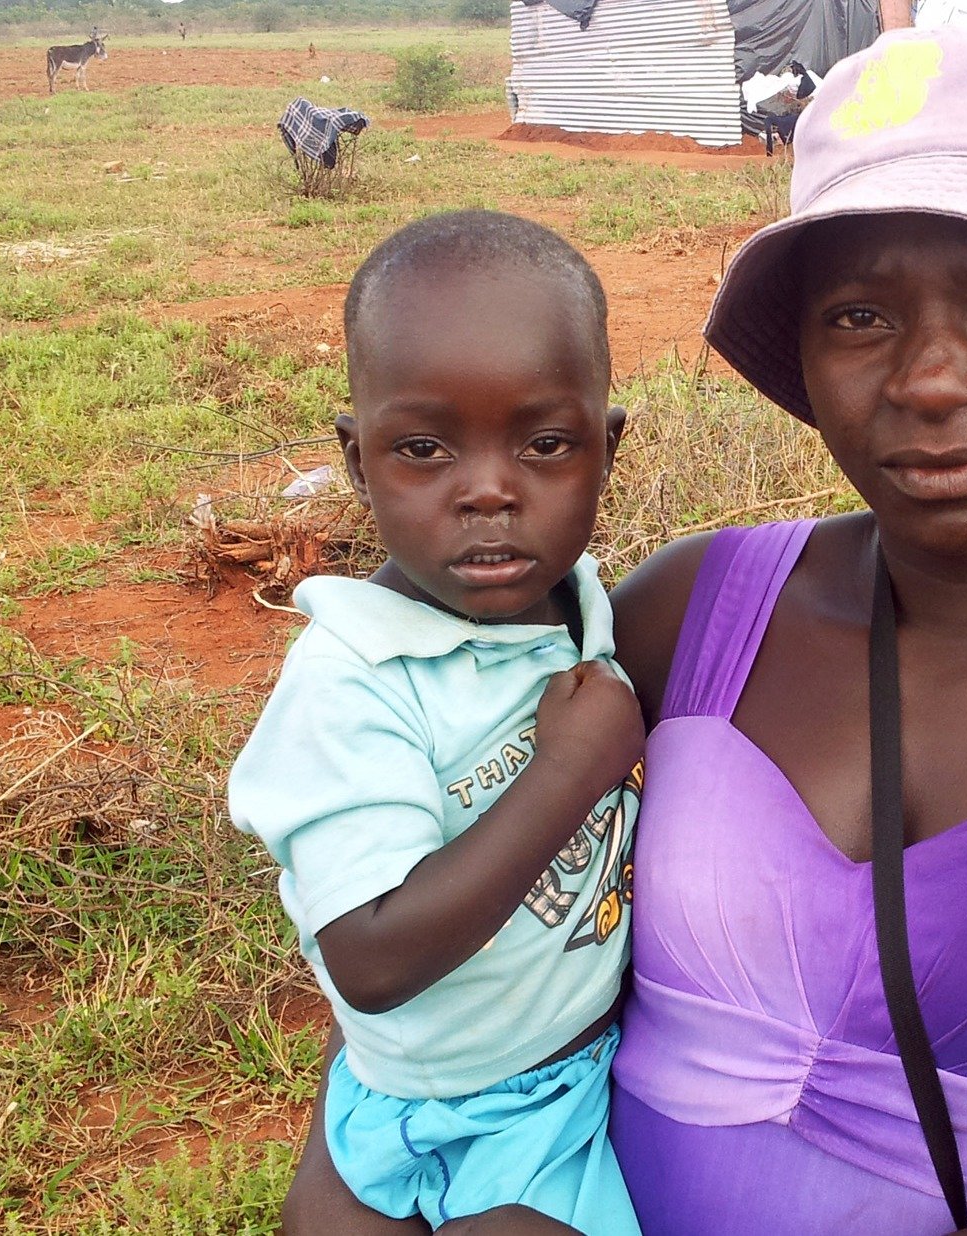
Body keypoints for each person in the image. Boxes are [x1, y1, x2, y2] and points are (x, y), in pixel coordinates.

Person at [284, 28, 967, 1236]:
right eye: (860, 318)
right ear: (804, 356)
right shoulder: (686, 615)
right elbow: (449, 1005)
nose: (928, 378)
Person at [229, 210, 644, 1235]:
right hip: (410, 1097)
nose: (491, 491)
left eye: (546, 444)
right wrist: (566, 776)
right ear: (358, 461)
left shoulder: (581, 601)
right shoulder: (352, 680)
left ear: (607, 447)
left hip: (572, 1085)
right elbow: (372, 961)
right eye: (424, 449)